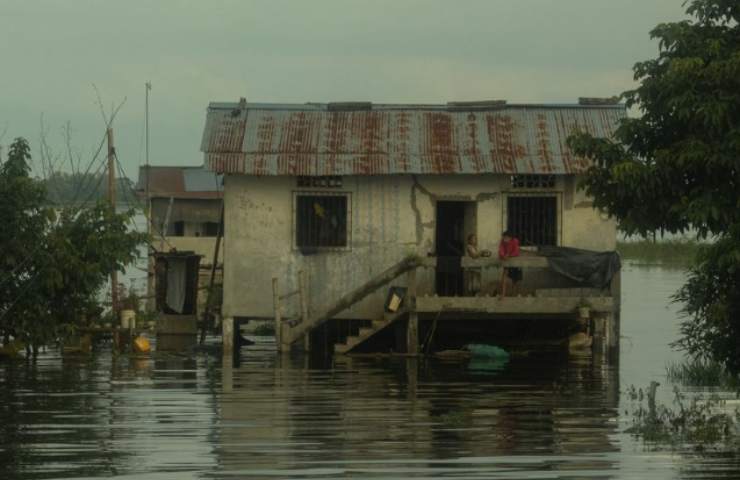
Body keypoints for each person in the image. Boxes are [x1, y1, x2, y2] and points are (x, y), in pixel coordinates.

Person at [498, 230, 522, 296]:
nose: (504, 239)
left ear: (510, 237)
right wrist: (503, 256)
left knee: (515, 279)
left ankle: (514, 294)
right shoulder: (502, 242)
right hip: (507, 261)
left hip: (515, 261)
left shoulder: (515, 241)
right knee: (504, 276)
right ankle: (503, 294)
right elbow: (500, 250)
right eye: (504, 237)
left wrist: (509, 255)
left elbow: (516, 252)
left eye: (506, 237)